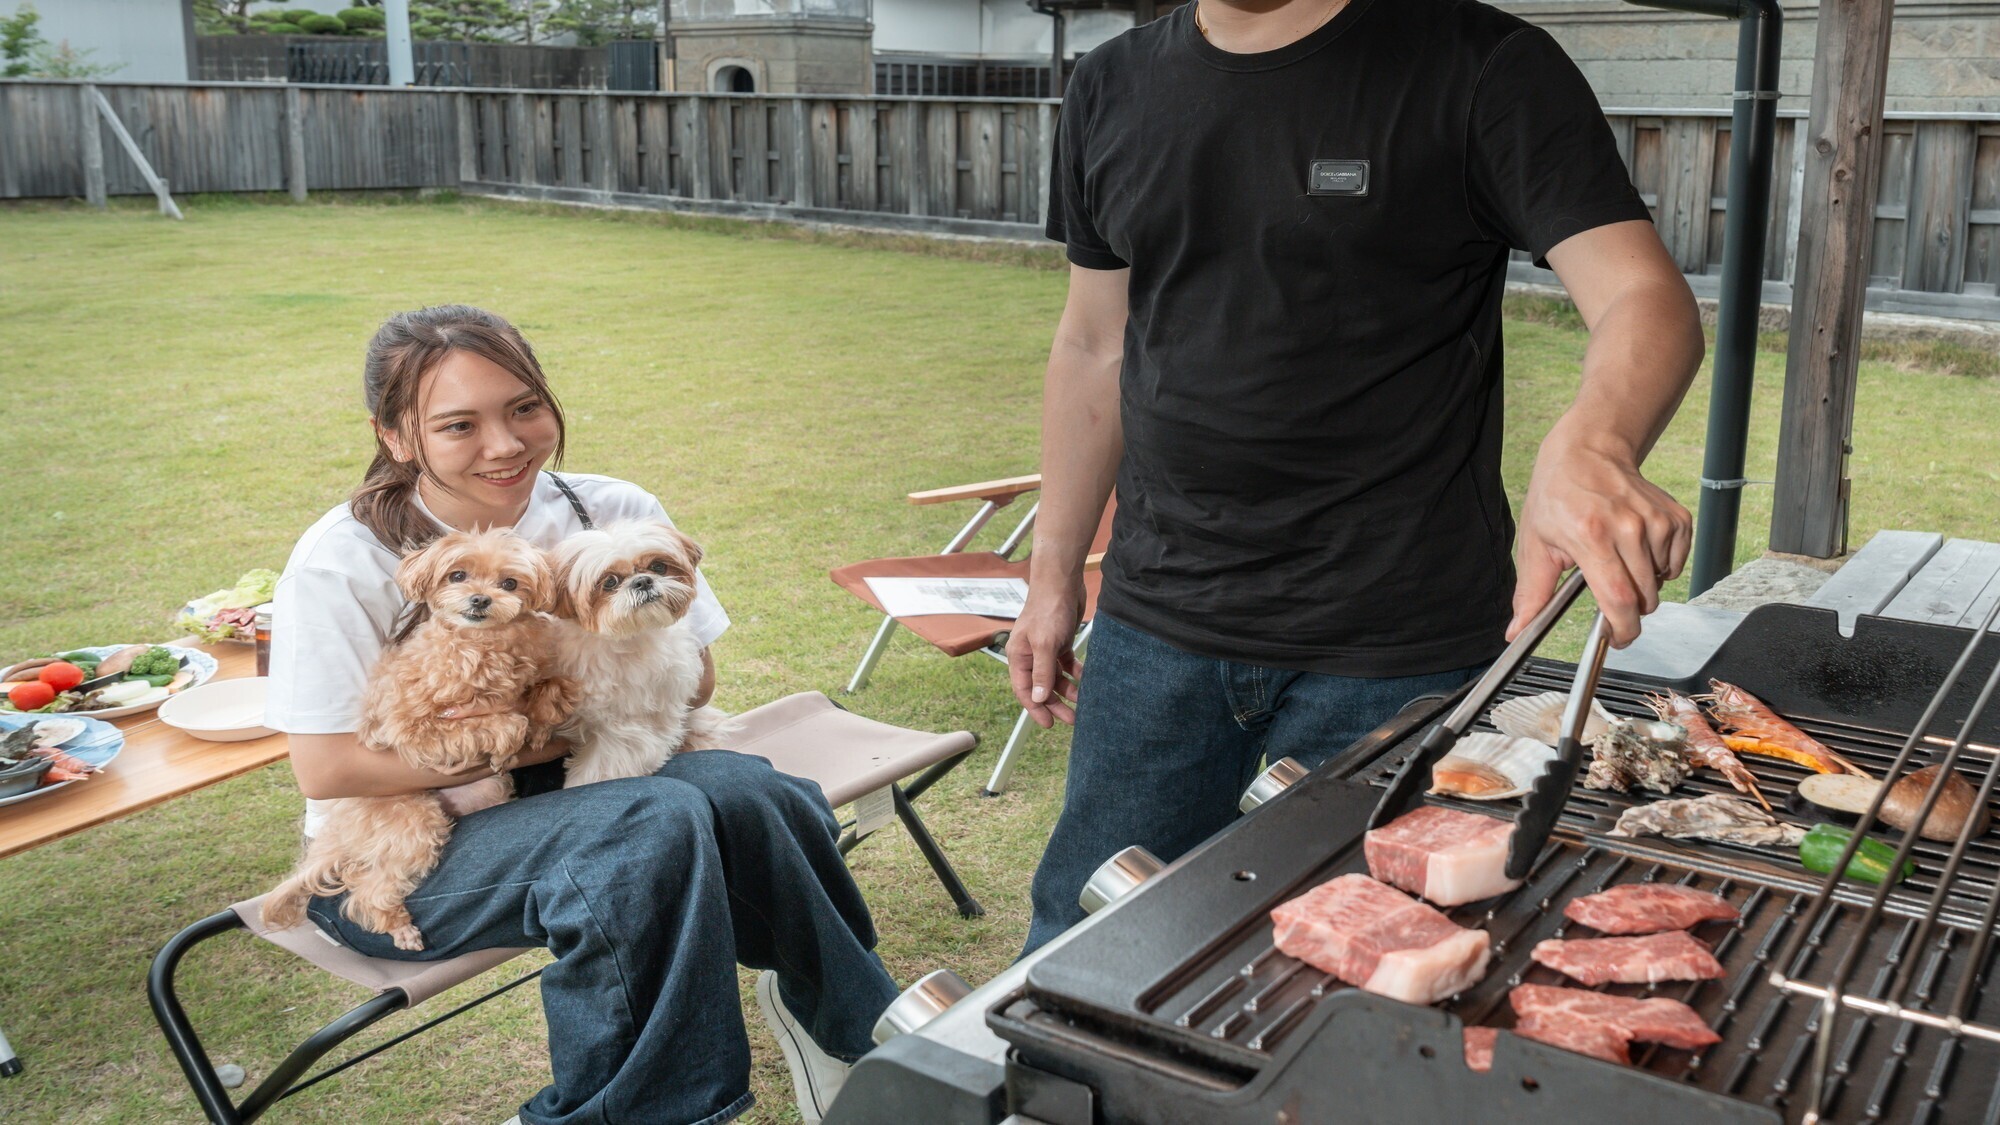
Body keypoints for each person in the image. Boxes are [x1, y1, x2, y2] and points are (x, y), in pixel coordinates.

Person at [1007, 0, 1705, 956]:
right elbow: (1095, 342)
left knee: (1375, 961)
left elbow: (1643, 294)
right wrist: (1051, 574)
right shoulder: (1111, 83)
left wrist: (1594, 439)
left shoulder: (1486, 64)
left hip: (1400, 648)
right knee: (1087, 942)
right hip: (1156, 624)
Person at [264, 304, 896, 1125]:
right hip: (405, 853)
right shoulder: (341, 560)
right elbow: (329, 769)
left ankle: (860, 1038)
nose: (505, 443)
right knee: (648, 818)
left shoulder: (606, 508)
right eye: (459, 424)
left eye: (524, 407)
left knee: (752, 791)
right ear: (395, 436)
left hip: (590, 787)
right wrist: (535, 740)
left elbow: (696, 680)